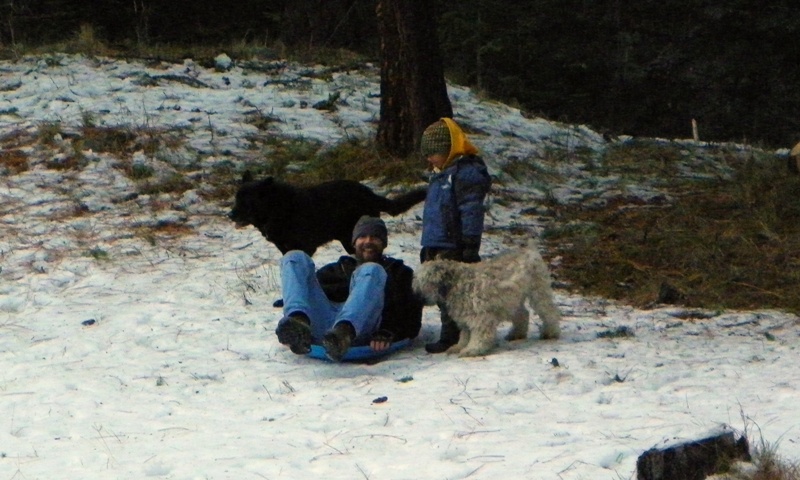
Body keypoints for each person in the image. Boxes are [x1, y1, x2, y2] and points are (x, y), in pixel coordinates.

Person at [274, 215, 423, 362]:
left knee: (371, 270)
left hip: (360, 331)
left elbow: (411, 311)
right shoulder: (335, 269)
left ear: (384, 243)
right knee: (294, 257)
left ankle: (344, 333)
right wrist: (288, 304)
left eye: (375, 237)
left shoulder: (399, 272)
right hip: (323, 326)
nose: (368, 241)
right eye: (362, 236)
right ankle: (297, 323)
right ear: (354, 242)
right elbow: (307, 290)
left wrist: (388, 332)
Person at [419, 117, 492, 353]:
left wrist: (470, 244)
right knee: (442, 291)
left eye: (433, 153)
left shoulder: (464, 174)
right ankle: (451, 332)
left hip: (454, 244)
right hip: (437, 242)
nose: (430, 159)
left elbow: (471, 210)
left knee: (455, 291)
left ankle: (457, 333)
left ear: (449, 150)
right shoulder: (441, 174)